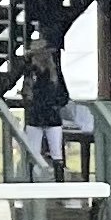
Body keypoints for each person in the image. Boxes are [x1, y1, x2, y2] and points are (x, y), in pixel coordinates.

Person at [25, 46, 72, 176]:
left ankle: (40, 179)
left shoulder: (49, 76)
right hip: (43, 116)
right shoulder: (35, 74)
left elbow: (64, 97)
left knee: (53, 152)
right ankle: (41, 179)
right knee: (43, 152)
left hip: (45, 116)